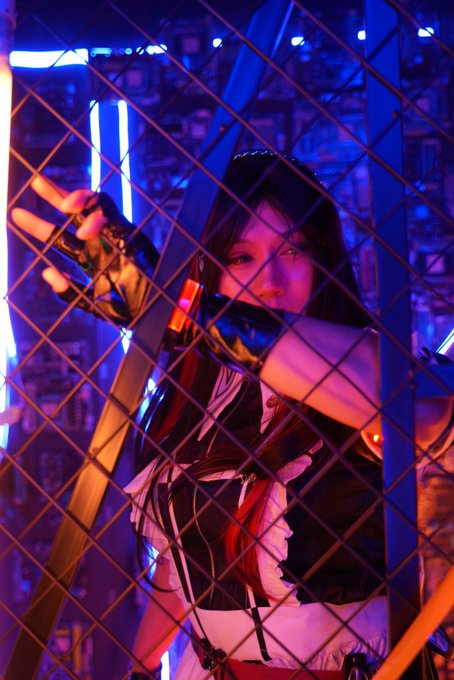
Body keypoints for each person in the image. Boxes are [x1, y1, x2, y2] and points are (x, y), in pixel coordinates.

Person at [12, 150, 453, 680]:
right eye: (241, 257)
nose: (270, 280)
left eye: (292, 249)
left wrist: (187, 309)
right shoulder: (194, 400)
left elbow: (402, 401)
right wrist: (139, 669)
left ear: (323, 259)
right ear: (210, 268)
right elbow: (185, 571)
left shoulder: (365, 371)